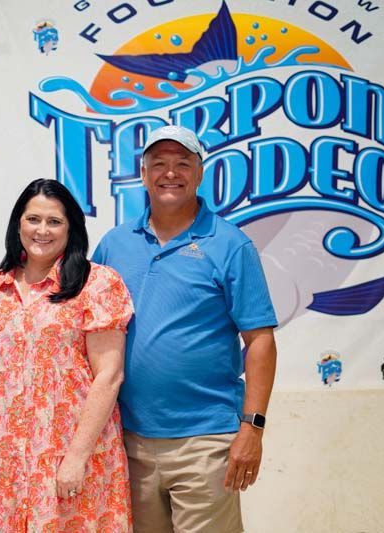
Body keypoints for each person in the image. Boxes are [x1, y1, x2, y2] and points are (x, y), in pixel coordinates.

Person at [92, 125, 278, 533]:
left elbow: (260, 341)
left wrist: (253, 428)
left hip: (206, 442)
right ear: (143, 174)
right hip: (127, 441)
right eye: (159, 164)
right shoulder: (113, 245)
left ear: (199, 173)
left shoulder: (230, 245)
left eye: (182, 163)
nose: (170, 173)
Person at [0, 179, 134, 531]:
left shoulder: (97, 283)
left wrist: (76, 458)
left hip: (72, 459)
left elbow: (109, 375)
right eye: (32, 219)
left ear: (72, 229)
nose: (42, 230)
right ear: (17, 224)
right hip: (6, 467)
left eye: (54, 222)